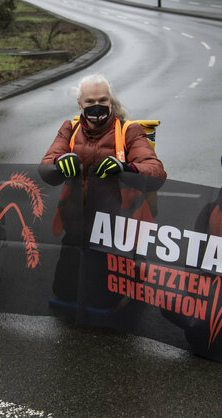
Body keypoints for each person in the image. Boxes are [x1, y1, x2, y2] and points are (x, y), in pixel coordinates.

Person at [39, 74, 167, 306]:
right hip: (77, 223)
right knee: (64, 294)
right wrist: (58, 162)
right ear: (80, 104)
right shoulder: (69, 128)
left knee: (105, 301)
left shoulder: (129, 130)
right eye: (90, 102)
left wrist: (126, 168)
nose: (96, 106)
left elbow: (156, 171)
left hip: (115, 228)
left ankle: (134, 276)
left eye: (103, 100)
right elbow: (45, 166)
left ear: (110, 102)